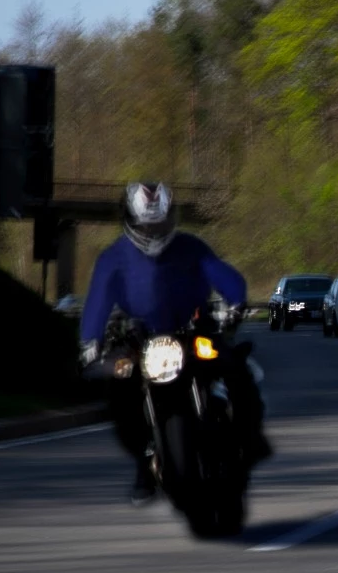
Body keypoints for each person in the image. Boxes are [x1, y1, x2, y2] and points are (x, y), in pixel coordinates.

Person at [80, 181, 271, 504]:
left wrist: (235, 304)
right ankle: (144, 464)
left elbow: (224, 276)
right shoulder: (113, 258)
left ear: (171, 218)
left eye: (160, 223)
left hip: (194, 329)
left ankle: (250, 437)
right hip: (140, 339)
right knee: (119, 389)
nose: (154, 230)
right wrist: (90, 342)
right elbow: (97, 302)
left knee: (237, 366)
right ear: (131, 220)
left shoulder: (191, 248)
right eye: (146, 224)